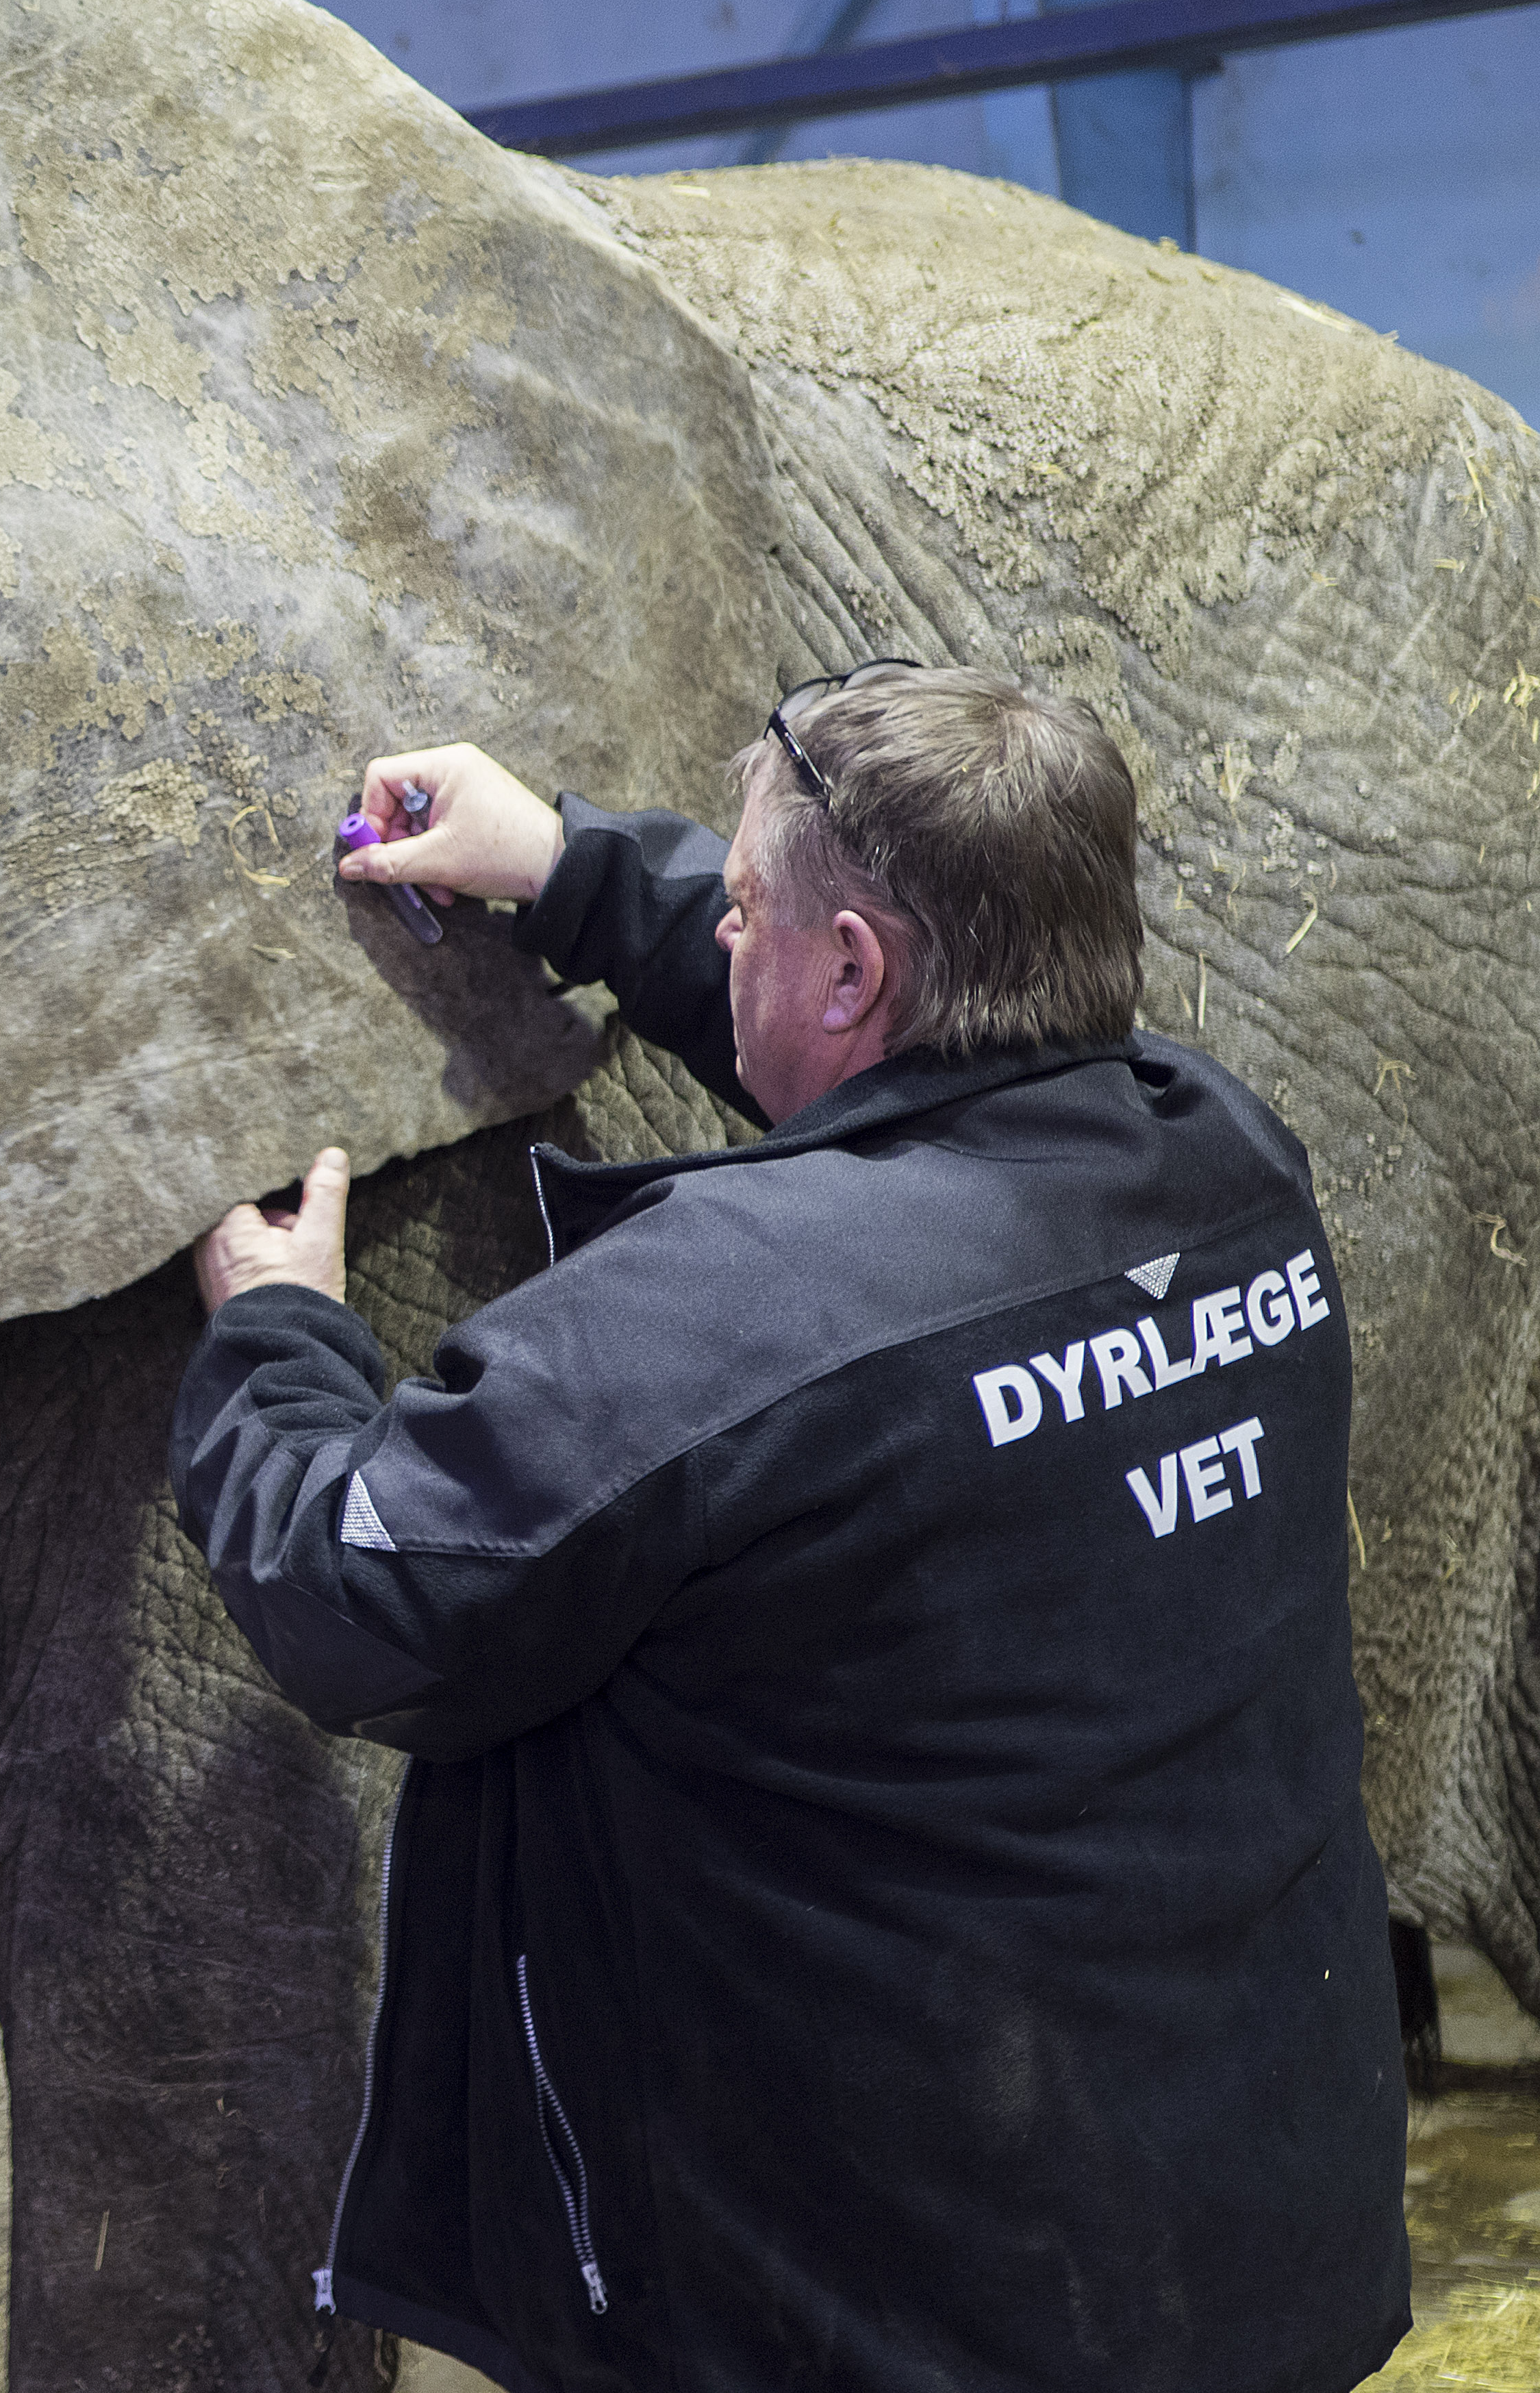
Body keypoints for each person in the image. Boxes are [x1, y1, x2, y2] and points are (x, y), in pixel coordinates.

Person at [173, 662, 1408, 2393]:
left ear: (852, 969)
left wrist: (279, 1338)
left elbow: (351, 1583)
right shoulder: (1228, 1162)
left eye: (748, 909)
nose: (729, 933)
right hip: (1247, 2256)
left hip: (904, 2319)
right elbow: (915, 1102)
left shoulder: (700, 1323)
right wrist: (578, 871)